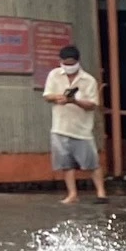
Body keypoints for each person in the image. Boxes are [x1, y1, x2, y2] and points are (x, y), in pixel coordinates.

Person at [40, 42, 105, 203]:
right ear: (60, 61)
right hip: (60, 127)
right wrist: (58, 97)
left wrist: (74, 101)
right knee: (65, 164)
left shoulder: (88, 80)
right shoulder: (54, 75)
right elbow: (47, 95)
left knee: (92, 163)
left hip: (82, 129)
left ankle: (101, 193)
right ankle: (72, 194)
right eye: (65, 64)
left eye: (71, 64)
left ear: (78, 62)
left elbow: (92, 105)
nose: (68, 67)